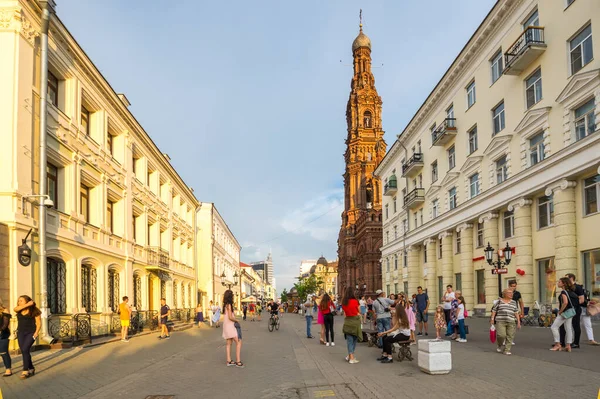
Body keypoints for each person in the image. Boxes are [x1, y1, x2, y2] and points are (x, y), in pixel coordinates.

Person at [14, 295, 41, 379]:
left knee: (25, 349)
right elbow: (15, 309)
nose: (19, 302)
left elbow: (39, 323)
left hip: (31, 333)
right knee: (24, 351)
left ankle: (25, 370)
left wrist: (36, 332)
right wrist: (28, 304)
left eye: (21, 300)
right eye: (19, 301)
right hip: (20, 333)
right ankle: (31, 368)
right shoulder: (18, 309)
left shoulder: (35, 311)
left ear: (27, 300)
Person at [490, 289, 520, 355]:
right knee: (501, 335)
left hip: (511, 321)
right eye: (509, 293)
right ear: (504, 294)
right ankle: (499, 344)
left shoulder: (513, 302)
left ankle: (507, 350)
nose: (511, 294)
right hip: (500, 321)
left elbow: (516, 312)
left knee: (510, 336)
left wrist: (518, 322)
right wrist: (492, 319)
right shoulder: (499, 301)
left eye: (512, 293)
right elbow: (494, 310)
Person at [550, 277, 577, 352]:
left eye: (559, 282)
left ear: (564, 284)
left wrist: (560, 311)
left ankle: (557, 344)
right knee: (568, 328)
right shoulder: (571, 292)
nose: (558, 283)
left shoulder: (564, 292)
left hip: (564, 312)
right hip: (570, 312)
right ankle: (568, 345)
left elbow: (565, 302)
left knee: (554, 327)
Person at [560, 273, 584, 348]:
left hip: (575, 309)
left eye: (566, 278)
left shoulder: (577, 288)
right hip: (566, 310)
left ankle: (576, 343)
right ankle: (562, 342)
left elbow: (582, 299)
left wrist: (573, 306)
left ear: (571, 278)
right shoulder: (568, 288)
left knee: (575, 325)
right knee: (562, 325)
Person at [222, 290, 244, 368]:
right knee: (238, 342)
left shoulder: (225, 305)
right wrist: (237, 320)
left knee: (229, 343)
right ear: (230, 297)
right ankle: (238, 361)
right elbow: (230, 317)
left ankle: (229, 360)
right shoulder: (229, 305)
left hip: (226, 326)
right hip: (231, 326)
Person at [341, 287, 361, 364]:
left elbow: (345, 314)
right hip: (355, 321)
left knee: (349, 340)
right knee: (354, 339)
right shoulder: (355, 301)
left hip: (347, 321)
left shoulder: (344, 302)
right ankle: (351, 358)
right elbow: (360, 311)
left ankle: (349, 355)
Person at [508, 280, 523, 346]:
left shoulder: (517, 293)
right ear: (509, 286)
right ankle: (505, 339)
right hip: (506, 310)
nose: (514, 288)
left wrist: (522, 311)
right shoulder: (505, 292)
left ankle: (510, 339)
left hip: (514, 311)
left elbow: (521, 302)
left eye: (515, 286)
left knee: (513, 326)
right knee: (506, 324)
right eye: (512, 286)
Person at [0, 303, 12, 377]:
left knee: (3, 352)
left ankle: (8, 369)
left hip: (2, 334)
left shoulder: (5, 310)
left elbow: (5, 324)